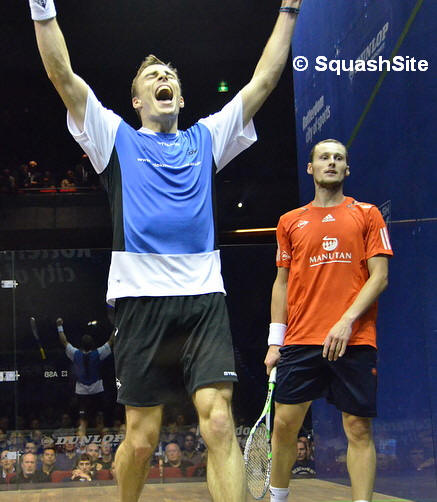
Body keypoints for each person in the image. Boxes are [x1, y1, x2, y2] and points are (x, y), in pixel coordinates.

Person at [28, 0, 303, 500]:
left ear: (180, 96)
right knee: (141, 440)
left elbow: (263, 81)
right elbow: (61, 75)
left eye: (170, 76)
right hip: (140, 301)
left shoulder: (207, 138)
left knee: (218, 422)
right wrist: (41, 7)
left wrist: (288, 9)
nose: (164, 79)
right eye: (153, 76)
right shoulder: (113, 137)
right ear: (137, 100)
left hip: (203, 298)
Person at [264, 139, 393, 502]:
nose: (331, 162)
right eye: (324, 157)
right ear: (311, 168)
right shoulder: (290, 221)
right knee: (285, 426)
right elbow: (281, 284)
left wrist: (347, 320)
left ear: (347, 169)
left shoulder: (367, 214)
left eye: (338, 158)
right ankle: (278, 498)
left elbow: (379, 277)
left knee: (358, 428)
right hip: (301, 339)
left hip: (355, 338)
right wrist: (275, 341)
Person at [56, 318, 115, 434]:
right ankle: (102, 434)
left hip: (81, 390)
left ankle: (82, 433)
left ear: (81, 345)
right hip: (97, 388)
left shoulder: (75, 353)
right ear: (92, 344)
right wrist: (117, 326)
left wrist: (59, 326)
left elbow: (64, 342)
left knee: (83, 418)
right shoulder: (98, 353)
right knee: (99, 415)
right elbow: (111, 341)